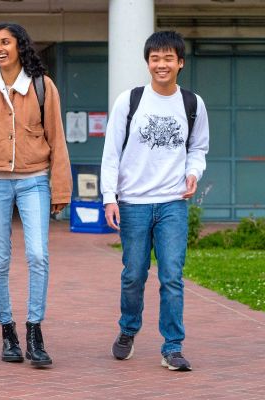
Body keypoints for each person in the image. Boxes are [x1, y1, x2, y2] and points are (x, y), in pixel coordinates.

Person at [0, 23, 71, 367]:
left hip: (34, 180)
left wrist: (61, 187)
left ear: (20, 46)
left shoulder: (42, 86)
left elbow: (57, 138)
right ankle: (8, 331)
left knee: (38, 255)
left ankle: (35, 331)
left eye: (5, 42)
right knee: (0, 260)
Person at [101, 30, 209, 372]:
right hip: (133, 202)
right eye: (155, 58)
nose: (161, 64)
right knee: (133, 274)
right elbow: (111, 154)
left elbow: (198, 148)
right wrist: (109, 197)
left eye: (168, 58)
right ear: (148, 62)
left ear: (180, 63)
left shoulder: (192, 103)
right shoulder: (129, 101)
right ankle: (128, 330)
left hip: (173, 203)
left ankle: (172, 346)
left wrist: (194, 173)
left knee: (172, 276)